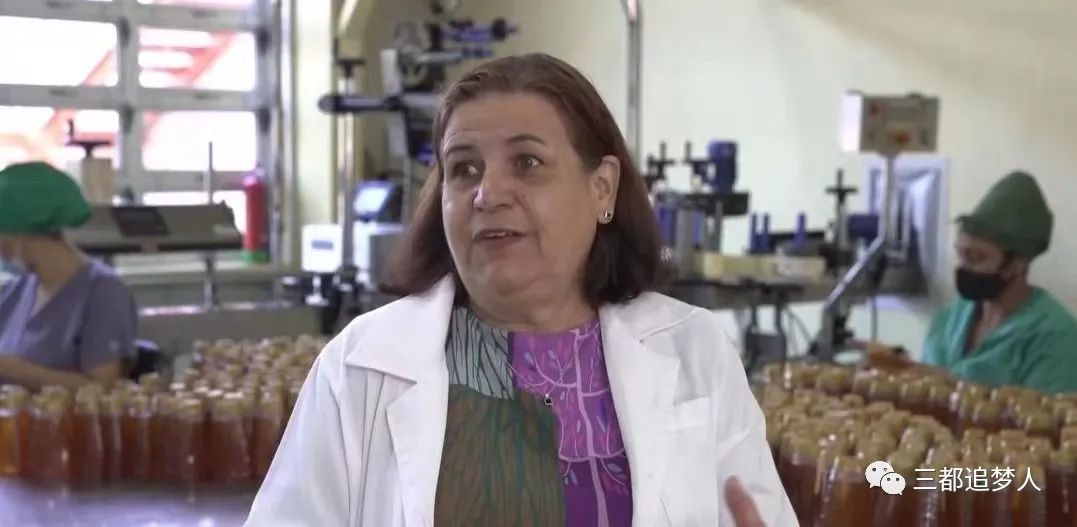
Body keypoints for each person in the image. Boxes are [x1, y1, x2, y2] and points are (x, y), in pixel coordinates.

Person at [247, 54, 792, 526]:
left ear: (602, 187)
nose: (488, 193)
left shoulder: (694, 348)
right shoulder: (360, 367)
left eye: (527, 163)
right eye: (464, 169)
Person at [866, 171, 1077, 393]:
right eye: (961, 255)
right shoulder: (953, 315)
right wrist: (895, 367)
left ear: (1018, 265)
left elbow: (1046, 411)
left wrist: (945, 381)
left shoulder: (1054, 335)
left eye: (976, 258)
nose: (964, 267)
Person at [0, 161, 138, 390]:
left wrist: (13, 369)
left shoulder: (103, 293)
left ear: (19, 235)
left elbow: (102, 388)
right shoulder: (15, 292)